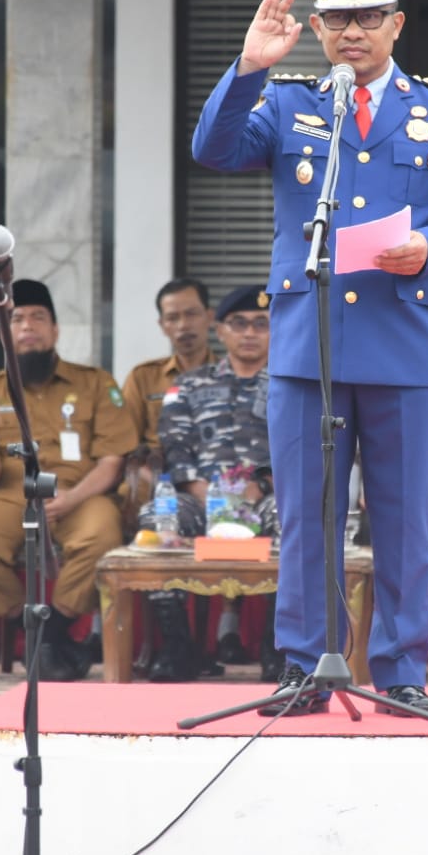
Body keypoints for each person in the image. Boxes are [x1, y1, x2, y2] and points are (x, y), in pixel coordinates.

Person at [192, 0, 428, 716]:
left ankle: (400, 672)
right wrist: (250, 67)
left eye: (367, 16)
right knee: (307, 516)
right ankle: (305, 665)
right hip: (308, 346)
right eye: (336, 19)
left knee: (400, 520)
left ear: (398, 23)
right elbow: (214, 150)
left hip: (401, 340)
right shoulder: (291, 100)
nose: (351, 32)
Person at [0, 279, 138, 680]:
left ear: (55, 330)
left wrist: (72, 499)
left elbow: (112, 461)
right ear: (4, 332)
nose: (28, 326)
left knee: (103, 537)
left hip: (80, 494)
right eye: (17, 319)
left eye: (39, 318)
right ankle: (36, 629)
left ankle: (51, 630)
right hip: (7, 494)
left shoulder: (95, 383)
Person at [139, 285, 281, 682]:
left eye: (261, 324)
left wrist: (262, 489)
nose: (250, 333)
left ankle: (278, 650)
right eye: (239, 324)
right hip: (197, 497)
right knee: (156, 519)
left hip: (266, 498)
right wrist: (203, 493)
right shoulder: (188, 385)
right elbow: (175, 445)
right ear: (221, 330)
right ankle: (177, 647)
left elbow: (299, 446)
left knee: (294, 521)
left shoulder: (292, 385)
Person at [121, 278, 214, 452]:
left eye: (192, 314)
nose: (183, 325)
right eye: (172, 318)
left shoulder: (230, 375)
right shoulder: (143, 377)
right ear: (162, 325)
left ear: (210, 317)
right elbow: (125, 444)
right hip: (155, 472)